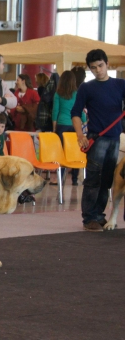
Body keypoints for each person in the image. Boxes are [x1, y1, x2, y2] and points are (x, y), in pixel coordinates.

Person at [71, 49, 125, 232]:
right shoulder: (87, 87)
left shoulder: (120, 84)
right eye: (93, 68)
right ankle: (89, 218)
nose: (98, 70)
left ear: (107, 64)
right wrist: (80, 135)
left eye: (100, 66)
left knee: (107, 179)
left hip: (115, 139)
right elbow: (75, 113)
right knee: (94, 178)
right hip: (97, 139)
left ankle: (99, 215)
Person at [52, 70, 87, 186]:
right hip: (75, 126)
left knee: (62, 154)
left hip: (62, 126)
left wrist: (54, 128)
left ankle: (59, 179)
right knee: (75, 152)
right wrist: (84, 121)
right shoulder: (77, 94)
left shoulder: (58, 94)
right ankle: (75, 180)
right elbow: (81, 111)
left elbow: (55, 112)